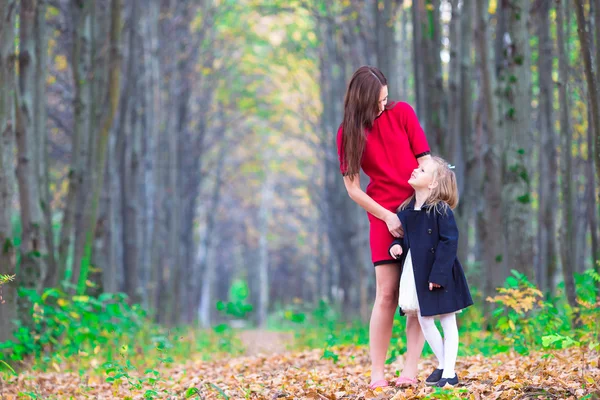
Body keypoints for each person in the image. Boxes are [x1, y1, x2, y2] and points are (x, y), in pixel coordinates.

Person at [337, 66, 431, 389]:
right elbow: (353, 189)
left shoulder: (402, 113)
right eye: (377, 102)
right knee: (387, 294)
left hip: (419, 213)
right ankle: (377, 374)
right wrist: (388, 217)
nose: (383, 106)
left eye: (386, 99)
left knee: (416, 296)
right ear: (362, 101)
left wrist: (426, 198)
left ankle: (410, 370)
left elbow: (425, 160)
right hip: (382, 216)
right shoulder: (348, 133)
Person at [389, 156, 474, 387]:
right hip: (417, 272)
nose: (416, 170)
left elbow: (449, 242)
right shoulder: (406, 211)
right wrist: (396, 246)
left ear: (433, 184)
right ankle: (443, 364)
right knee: (425, 320)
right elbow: (405, 240)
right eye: (418, 167)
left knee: (447, 320)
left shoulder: (440, 210)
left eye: (422, 169)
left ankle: (449, 372)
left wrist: (439, 275)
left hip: (440, 272)